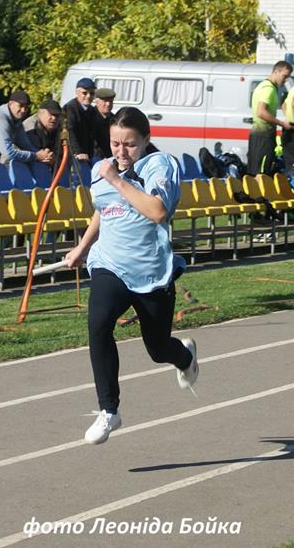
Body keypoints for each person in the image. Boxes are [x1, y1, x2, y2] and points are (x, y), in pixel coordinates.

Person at [64, 106, 198, 445]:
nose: (121, 152)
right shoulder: (103, 168)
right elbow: (104, 211)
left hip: (151, 271)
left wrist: (117, 179)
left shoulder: (160, 166)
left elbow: (157, 211)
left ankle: (184, 356)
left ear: (146, 140)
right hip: (110, 263)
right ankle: (109, 410)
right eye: (115, 144)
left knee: (157, 349)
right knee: (98, 324)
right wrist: (82, 248)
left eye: (130, 145)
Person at [248, 60, 293, 175]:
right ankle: (259, 193)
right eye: (285, 76)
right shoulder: (269, 89)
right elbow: (261, 112)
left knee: (257, 169)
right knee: (261, 171)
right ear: (276, 72)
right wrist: (282, 123)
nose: (286, 79)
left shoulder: (264, 85)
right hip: (263, 136)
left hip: (259, 135)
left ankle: (256, 192)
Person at [64, 77, 99, 164]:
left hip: (88, 154)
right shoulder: (70, 108)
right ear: (77, 93)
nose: (88, 96)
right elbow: (70, 131)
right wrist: (78, 152)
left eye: (91, 93)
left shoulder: (92, 110)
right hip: (72, 155)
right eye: (84, 93)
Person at [92, 87, 116, 159]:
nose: (108, 104)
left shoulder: (114, 119)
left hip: (109, 156)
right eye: (105, 101)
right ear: (97, 101)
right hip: (93, 156)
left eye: (110, 101)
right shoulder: (90, 116)